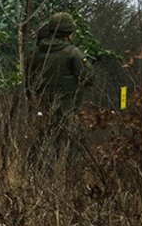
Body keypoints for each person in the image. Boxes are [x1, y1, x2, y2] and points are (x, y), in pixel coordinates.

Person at [26, 11, 94, 165]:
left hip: (41, 111)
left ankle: (36, 180)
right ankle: (71, 183)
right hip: (67, 112)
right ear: (69, 33)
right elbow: (88, 78)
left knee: (43, 147)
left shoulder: (37, 53)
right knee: (75, 149)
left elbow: (29, 84)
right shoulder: (73, 53)